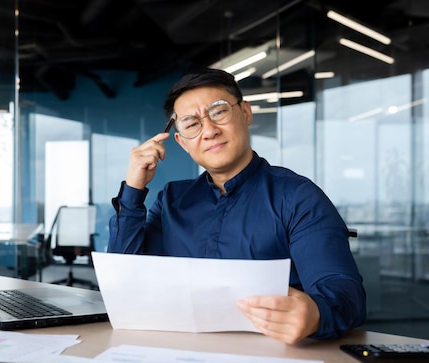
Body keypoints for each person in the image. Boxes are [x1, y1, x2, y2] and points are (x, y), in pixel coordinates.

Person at [107, 68, 366, 345]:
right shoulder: (172, 200)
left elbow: (344, 293)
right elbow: (126, 281)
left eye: (218, 112)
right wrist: (133, 190)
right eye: (192, 124)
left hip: (272, 357)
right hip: (180, 353)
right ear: (181, 142)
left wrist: (314, 314)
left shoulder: (298, 197)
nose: (209, 131)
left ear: (245, 112)